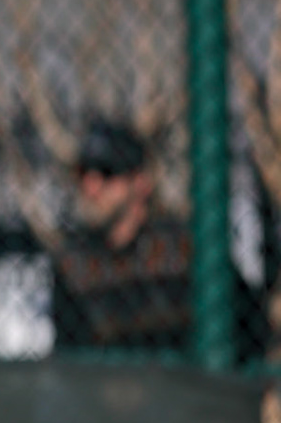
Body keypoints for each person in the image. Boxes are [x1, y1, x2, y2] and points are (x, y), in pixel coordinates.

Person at [52, 119, 268, 362]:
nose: (91, 188)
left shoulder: (187, 249)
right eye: (83, 174)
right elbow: (69, 363)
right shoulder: (73, 266)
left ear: (141, 182)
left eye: (106, 173)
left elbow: (250, 332)